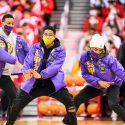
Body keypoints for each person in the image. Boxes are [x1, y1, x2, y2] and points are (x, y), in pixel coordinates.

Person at [4, 26, 77, 125]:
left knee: (70, 101)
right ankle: (8, 123)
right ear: (42, 35)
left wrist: (41, 75)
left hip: (53, 84)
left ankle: (71, 123)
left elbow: (55, 68)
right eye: (45, 34)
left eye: (50, 35)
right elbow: (28, 61)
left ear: (54, 36)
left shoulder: (60, 51)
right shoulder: (35, 47)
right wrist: (26, 72)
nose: (47, 36)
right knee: (16, 105)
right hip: (33, 84)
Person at [63, 34, 125, 125]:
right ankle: (66, 122)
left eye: (100, 49)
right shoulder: (84, 57)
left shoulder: (109, 58)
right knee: (77, 99)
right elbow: (85, 74)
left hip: (112, 84)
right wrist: (98, 82)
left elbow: (120, 71)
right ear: (90, 47)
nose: (98, 51)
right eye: (95, 49)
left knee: (113, 104)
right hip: (96, 85)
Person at [0, 14, 29, 117]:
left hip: (4, 74)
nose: (10, 25)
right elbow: (2, 54)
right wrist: (16, 62)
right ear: (2, 23)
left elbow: (29, 52)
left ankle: (9, 120)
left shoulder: (16, 38)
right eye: (8, 23)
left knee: (15, 97)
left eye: (12, 23)